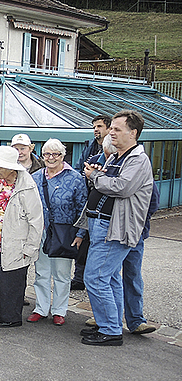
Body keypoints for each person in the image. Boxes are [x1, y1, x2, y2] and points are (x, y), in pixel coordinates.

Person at [78, 110, 153, 346]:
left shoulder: (138, 160)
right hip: (100, 225)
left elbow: (122, 187)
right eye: (111, 128)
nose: (111, 132)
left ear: (133, 133)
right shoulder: (116, 157)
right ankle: (108, 324)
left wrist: (94, 176)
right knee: (109, 278)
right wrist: (100, 174)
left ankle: (110, 330)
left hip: (115, 229)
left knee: (95, 277)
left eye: (117, 129)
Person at [0, 146, 43, 328]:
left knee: (12, 281)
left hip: (16, 243)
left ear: (11, 167)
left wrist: (31, 248)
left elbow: (36, 220)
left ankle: (11, 317)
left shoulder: (26, 186)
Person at [28, 139, 87, 326]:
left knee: (62, 273)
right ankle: (41, 308)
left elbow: (83, 208)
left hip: (64, 233)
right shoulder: (36, 177)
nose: (51, 158)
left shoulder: (75, 178)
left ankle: (60, 310)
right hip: (41, 231)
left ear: (63, 155)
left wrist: (80, 235)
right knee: (41, 271)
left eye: (56, 154)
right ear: (42, 155)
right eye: (47, 154)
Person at [72, 114, 112, 290]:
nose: (96, 130)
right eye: (94, 126)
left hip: (104, 210)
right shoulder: (89, 147)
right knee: (82, 240)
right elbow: (80, 168)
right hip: (87, 201)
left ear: (108, 128)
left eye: (100, 126)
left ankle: (96, 281)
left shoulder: (118, 154)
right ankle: (80, 277)